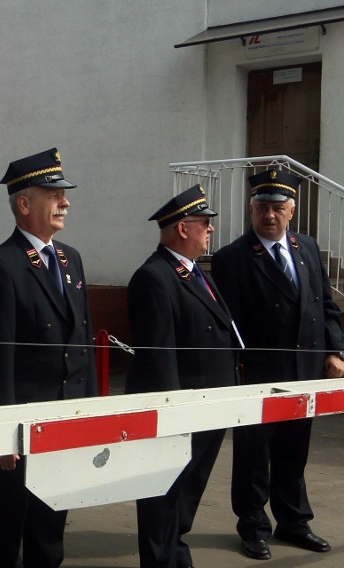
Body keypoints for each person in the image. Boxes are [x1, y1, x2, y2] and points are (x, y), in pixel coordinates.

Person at [0, 148, 96, 567]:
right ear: (24, 204)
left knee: (53, 514)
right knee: (12, 515)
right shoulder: (1, 267)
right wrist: (1, 432)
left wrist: (90, 410)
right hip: (22, 423)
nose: (66, 201)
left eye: (64, 194)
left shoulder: (70, 258)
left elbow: (83, 343)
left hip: (65, 412)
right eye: (53, 194)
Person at [211, 169, 344, 561]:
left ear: (291, 211)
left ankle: (294, 522)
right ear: (252, 210)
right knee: (253, 456)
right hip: (258, 375)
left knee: (294, 451)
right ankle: (252, 527)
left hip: (304, 373)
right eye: (262, 208)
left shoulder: (306, 248)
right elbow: (227, 323)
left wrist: (335, 353)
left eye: (277, 208)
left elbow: (326, 307)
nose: (269, 216)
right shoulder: (232, 258)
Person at [126, 184, 241, 568]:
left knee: (188, 491)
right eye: (204, 224)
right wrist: (173, 412)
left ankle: (176, 552)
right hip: (182, 409)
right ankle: (161, 559)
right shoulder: (155, 276)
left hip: (209, 406)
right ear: (181, 228)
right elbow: (159, 357)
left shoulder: (195, 272)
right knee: (164, 494)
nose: (210, 230)